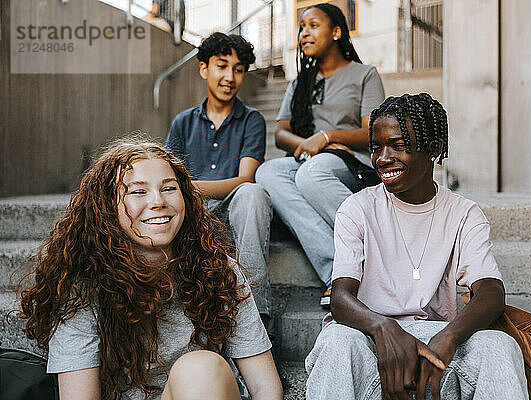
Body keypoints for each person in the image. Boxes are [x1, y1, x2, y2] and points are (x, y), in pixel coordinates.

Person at [17, 138, 282, 400]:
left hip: (203, 388)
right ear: (107, 207)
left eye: (169, 188)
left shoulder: (218, 269)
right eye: (138, 191)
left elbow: (264, 387)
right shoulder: (81, 287)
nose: (158, 201)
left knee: (200, 369)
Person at [305, 94, 528, 400]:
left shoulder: (464, 213)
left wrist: (449, 336)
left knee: (499, 346)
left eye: (398, 146)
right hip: (369, 340)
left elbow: (491, 292)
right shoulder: (356, 209)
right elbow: (340, 298)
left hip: (436, 344)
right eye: (376, 147)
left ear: (434, 148)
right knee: (337, 342)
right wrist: (383, 328)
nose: (383, 158)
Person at [255, 3, 385, 307]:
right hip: (313, 159)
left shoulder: (364, 74)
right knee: (268, 173)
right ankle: (336, 272)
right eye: (301, 27)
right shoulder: (301, 82)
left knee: (313, 172)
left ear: (337, 32)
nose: (304, 33)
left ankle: (377, 244)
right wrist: (312, 144)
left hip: (352, 161)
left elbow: (374, 133)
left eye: (313, 25)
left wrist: (328, 137)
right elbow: (281, 133)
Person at [165, 32, 274, 327]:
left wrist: (191, 187)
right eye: (221, 66)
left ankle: (258, 314)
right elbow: (166, 178)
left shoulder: (252, 121)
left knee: (253, 192)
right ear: (204, 69)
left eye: (238, 70)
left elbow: (245, 178)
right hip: (194, 216)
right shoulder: (183, 123)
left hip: (235, 215)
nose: (230, 77)